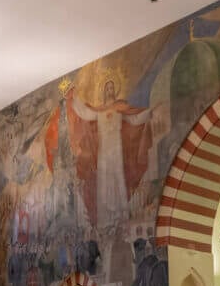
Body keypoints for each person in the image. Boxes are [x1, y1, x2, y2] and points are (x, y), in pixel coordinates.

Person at [63, 79, 153, 230]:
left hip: (116, 151)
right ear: (104, 91)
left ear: (115, 91)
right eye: (107, 88)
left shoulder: (120, 109)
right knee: (104, 181)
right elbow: (84, 113)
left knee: (118, 178)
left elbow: (134, 119)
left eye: (112, 88)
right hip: (104, 152)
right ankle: (105, 220)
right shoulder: (99, 111)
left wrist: (150, 112)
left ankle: (120, 217)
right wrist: (74, 96)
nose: (110, 90)